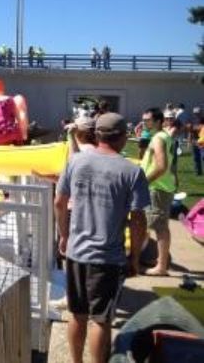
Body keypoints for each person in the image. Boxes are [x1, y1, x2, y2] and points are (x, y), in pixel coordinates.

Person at [54, 113, 150, 363]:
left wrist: (64, 236)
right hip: (107, 258)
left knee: (77, 314)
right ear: (122, 138)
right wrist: (135, 257)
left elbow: (59, 202)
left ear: (97, 135)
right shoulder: (132, 171)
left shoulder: (75, 162)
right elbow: (138, 219)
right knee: (101, 320)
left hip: (76, 253)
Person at [139, 107, 175, 276]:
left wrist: (144, 182)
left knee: (159, 227)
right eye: (144, 119)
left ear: (158, 121)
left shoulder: (159, 138)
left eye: (148, 120)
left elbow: (161, 166)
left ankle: (161, 267)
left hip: (157, 188)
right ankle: (161, 261)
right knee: (158, 225)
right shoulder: (163, 136)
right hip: (161, 187)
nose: (144, 122)